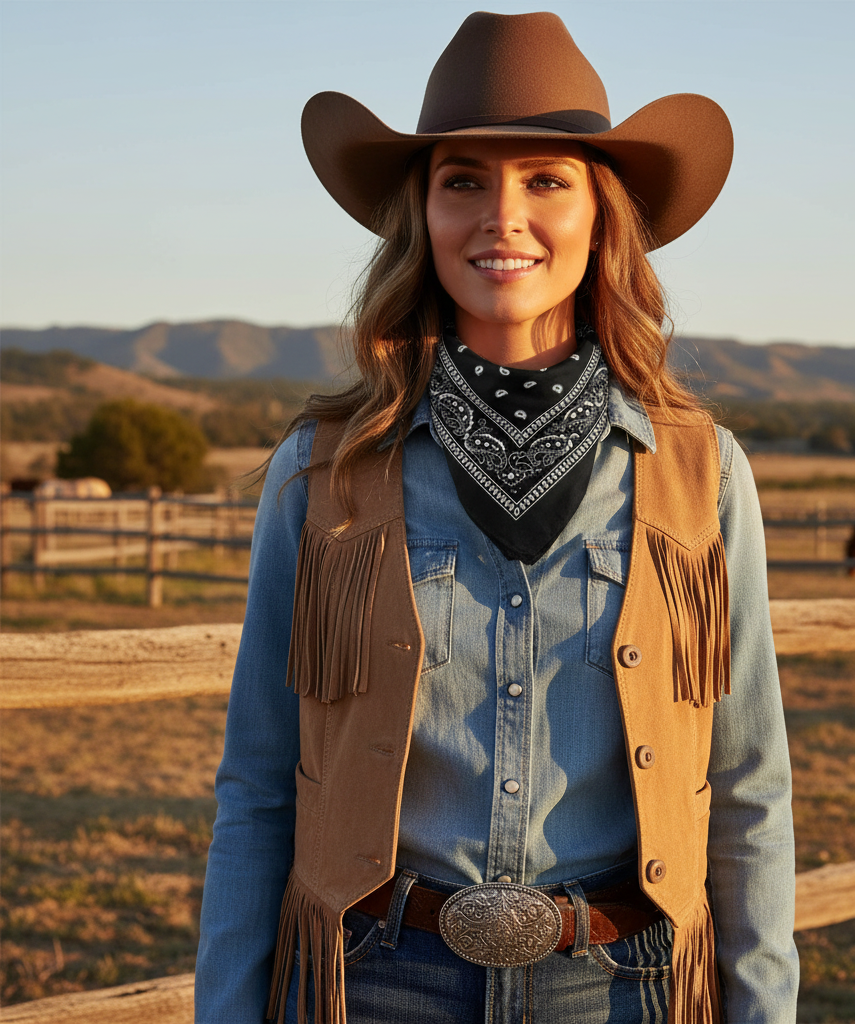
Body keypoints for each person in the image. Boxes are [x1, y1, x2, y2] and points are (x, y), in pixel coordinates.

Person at [195, 11, 799, 1024]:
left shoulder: (701, 474)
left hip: (625, 985)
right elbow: (258, 787)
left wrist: (764, 1006)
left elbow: (746, 788)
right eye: (464, 181)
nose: (502, 217)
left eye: (546, 181)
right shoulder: (321, 473)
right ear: (422, 216)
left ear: (601, 217)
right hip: (372, 980)